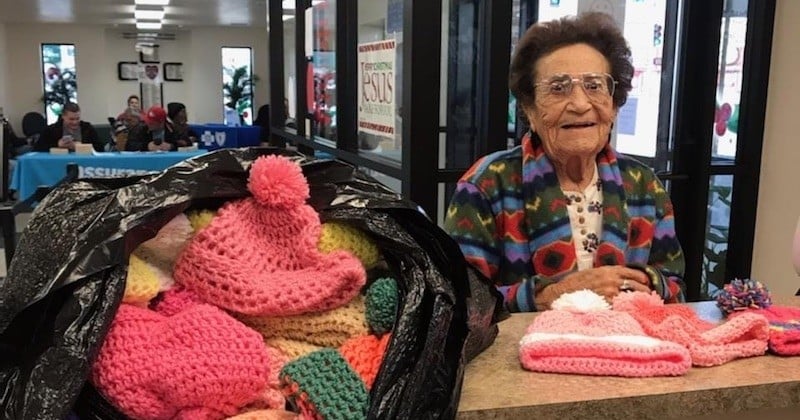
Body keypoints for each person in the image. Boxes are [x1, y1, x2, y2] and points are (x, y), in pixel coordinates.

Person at [443, 12, 685, 312]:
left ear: (614, 103)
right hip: (522, 355)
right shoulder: (488, 184)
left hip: (625, 353)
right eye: (558, 88)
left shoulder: (644, 185)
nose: (581, 104)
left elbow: (675, 285)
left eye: (595, 86)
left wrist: (647, 284)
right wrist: (553, 294)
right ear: (529, 109)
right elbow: (458, 298)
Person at [34, 102, 103, 152]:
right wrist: (57, 145)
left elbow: (100, 148)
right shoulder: (51, 130)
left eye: (77, 118)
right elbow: (37, 148)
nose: (75, 122)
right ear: (63, 116)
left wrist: (82, 146)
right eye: (71, 119)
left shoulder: (88, 128)